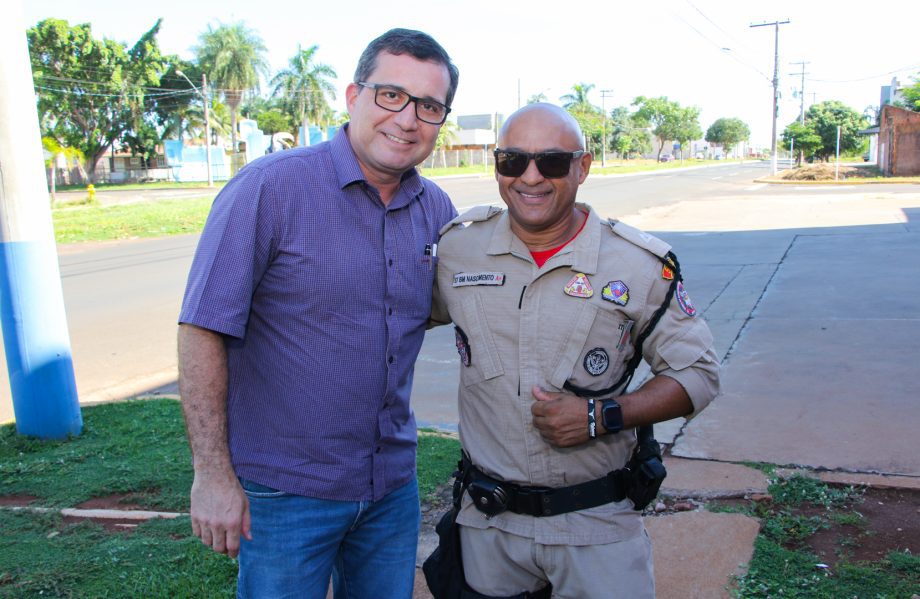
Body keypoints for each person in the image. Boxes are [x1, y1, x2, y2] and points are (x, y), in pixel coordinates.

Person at [177, 28, 459, 599]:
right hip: (285, 494)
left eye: (429, 106)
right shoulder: (269, 189)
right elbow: (202, 327)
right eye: (391, 95)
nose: (407, 119)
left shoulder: (436, 211)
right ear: (353, 95)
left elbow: (423, 314)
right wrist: (211, 474)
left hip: (390, 487)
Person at [430, 103, 720, 598]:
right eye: (513, 160)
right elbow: (388, 317)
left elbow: (697, 374)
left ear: (582, 167)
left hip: (596, 527)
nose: (531, 177)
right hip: (490, 525)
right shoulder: (459, 249)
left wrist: (600, 415)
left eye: (553, 162)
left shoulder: (637, 264)